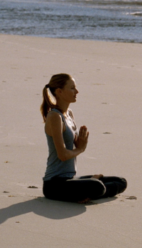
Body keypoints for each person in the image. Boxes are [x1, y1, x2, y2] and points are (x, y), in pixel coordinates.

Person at [41, 74, 127, 203]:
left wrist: (79, 143)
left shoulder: (69, 114)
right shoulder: (54, 117)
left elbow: (73, 145)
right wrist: (80, 149)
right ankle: (88, 191)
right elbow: (63, 155)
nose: (77, 91)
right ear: (59, 91)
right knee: (96, 186)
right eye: (72, 88)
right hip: (54, 184)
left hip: (71, 179)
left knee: (120, 181)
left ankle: (86, 193)